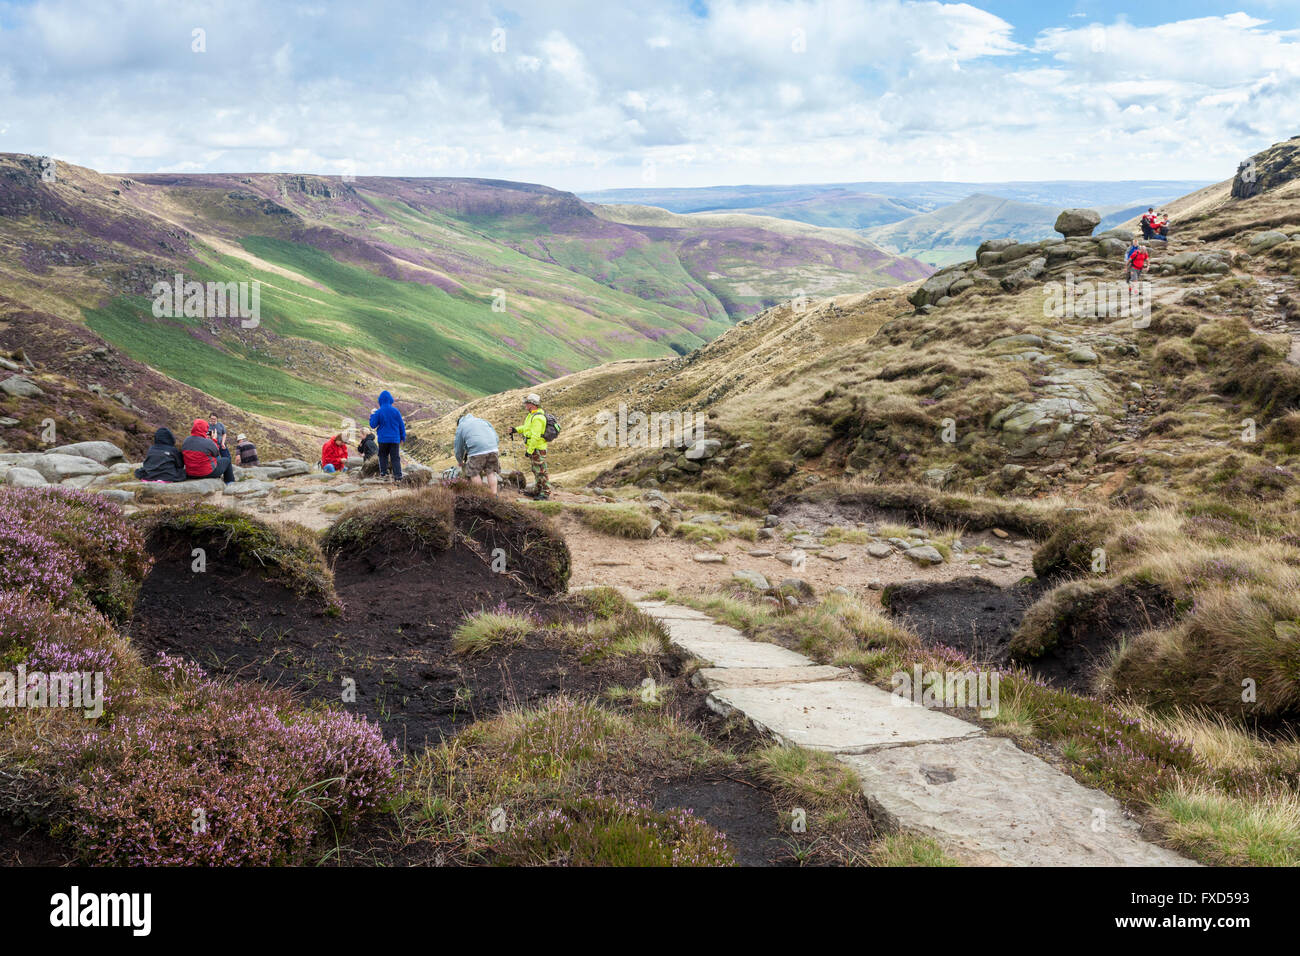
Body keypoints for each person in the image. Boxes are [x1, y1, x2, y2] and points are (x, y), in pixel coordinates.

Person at [508, 393, 550, 500]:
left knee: (541, 472)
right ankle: (538, 491)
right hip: (535, 449)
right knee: (536, 470)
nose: (525, 405)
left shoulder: (538, 418)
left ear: (532, 404)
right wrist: (516, 429)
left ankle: (545, 494)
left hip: (538, 449)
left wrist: (530, 450)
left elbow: (536, 436)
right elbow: (527, 428)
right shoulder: (532, 415)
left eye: (527, 403)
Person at [454, 412, 500, 495]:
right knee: (491, 472)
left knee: (473, 473)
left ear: (459, 423)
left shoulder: (461, 426)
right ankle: (494, 495)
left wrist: (460, 461)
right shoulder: (482, 420)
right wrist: (493, 447)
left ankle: (480, 495)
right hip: (493, 448)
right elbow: (496, 436)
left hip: (477, 450)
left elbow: (458, 446)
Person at [181, 419, 235, 484]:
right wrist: (214, 439)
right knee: (227, 460)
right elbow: (216, 453)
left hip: (190, 474)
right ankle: (230, 483)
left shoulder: (186, 441)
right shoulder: (208, 442)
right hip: (207, 473)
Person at [368, 390, 406, 481]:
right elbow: (401, 425)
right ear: (390, 400)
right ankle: (398, 476)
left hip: (383, 439)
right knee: (395, 457)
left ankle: (384, 473)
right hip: (394, 439)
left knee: (383, 456)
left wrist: (373, 414)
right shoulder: (396, 411)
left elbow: (373, 425)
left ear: (380, 400)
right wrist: (402, 437)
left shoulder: (379, 411)